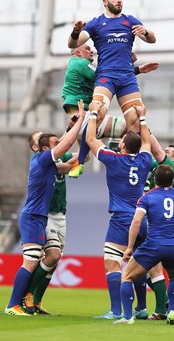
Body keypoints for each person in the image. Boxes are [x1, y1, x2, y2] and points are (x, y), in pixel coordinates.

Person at [5, 101, 85, 316]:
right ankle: (13, 304)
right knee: (31, 260)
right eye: (52, 143)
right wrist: (83, 119)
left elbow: (69, 163)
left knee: (51, 256)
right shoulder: (41, 159)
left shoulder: (48, 163)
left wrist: (87, 135)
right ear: (39, 148)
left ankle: (29, 300)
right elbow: (66, 146)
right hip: (34, 216)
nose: (57, 144)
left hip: (39, 216)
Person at [86, 101, 152, 320]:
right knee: (138, 263)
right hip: (142, 219)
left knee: (111, 261)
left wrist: (93, 113)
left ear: (122, 146)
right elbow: (148, 143)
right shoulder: (144, 160)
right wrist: (141, 118)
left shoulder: (114, 160)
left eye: (121, 140)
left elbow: (90, 139)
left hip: (123, 218)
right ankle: (141, 308)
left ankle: (115, 310)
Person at [114, 164, 174, 324]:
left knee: (127, 277)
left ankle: (127, 317)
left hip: (153, 245)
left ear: (154, 179)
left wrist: (130, 247)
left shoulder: (147, 197)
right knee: (173, 277)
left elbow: (136, 221)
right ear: (172, 180)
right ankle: (171, 311)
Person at [68, 0, 156, 135]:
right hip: (106, 76)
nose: (119, 0)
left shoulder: (130, 20)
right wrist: (75, 31)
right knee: (97, 113)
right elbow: (72, 44)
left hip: (127, 77)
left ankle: (125, 156)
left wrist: (145, 32)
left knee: (135, 122)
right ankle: (83, 156)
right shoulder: (96, 23)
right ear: (105, 2)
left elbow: (152, 39)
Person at [62, 43, 158, 177]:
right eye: (87, 48)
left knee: (86, 155)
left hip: (79, 119)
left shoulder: (77, 64)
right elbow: (105, 77)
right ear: (78, 53)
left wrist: (133, 67)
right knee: (131, 127)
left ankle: (59, 166)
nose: (91, 51)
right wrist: (129, 63)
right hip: (84, 118)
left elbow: (108, 77)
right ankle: (123, 159)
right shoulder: (80, 63)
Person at [22, 131, 76, 314]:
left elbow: (74, 158)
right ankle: (26, 295)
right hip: (45, 214)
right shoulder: (41, 159)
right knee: (51, 256)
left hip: (61, 213)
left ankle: (36, 301)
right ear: (37, 147)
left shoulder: (53, 157)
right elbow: (66, 159)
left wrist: (78, 160)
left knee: (53, 262)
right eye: (39, 138)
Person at [144, 135, 174, 320]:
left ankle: (161, 308)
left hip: (157, 225)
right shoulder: (157, 169)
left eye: (168, 153)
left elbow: (156, 150)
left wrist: (144, 127)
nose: (162, 153)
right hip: (160, 225)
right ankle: (164, 301)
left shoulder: (173, 170)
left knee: (151, 268)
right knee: (142, 269)